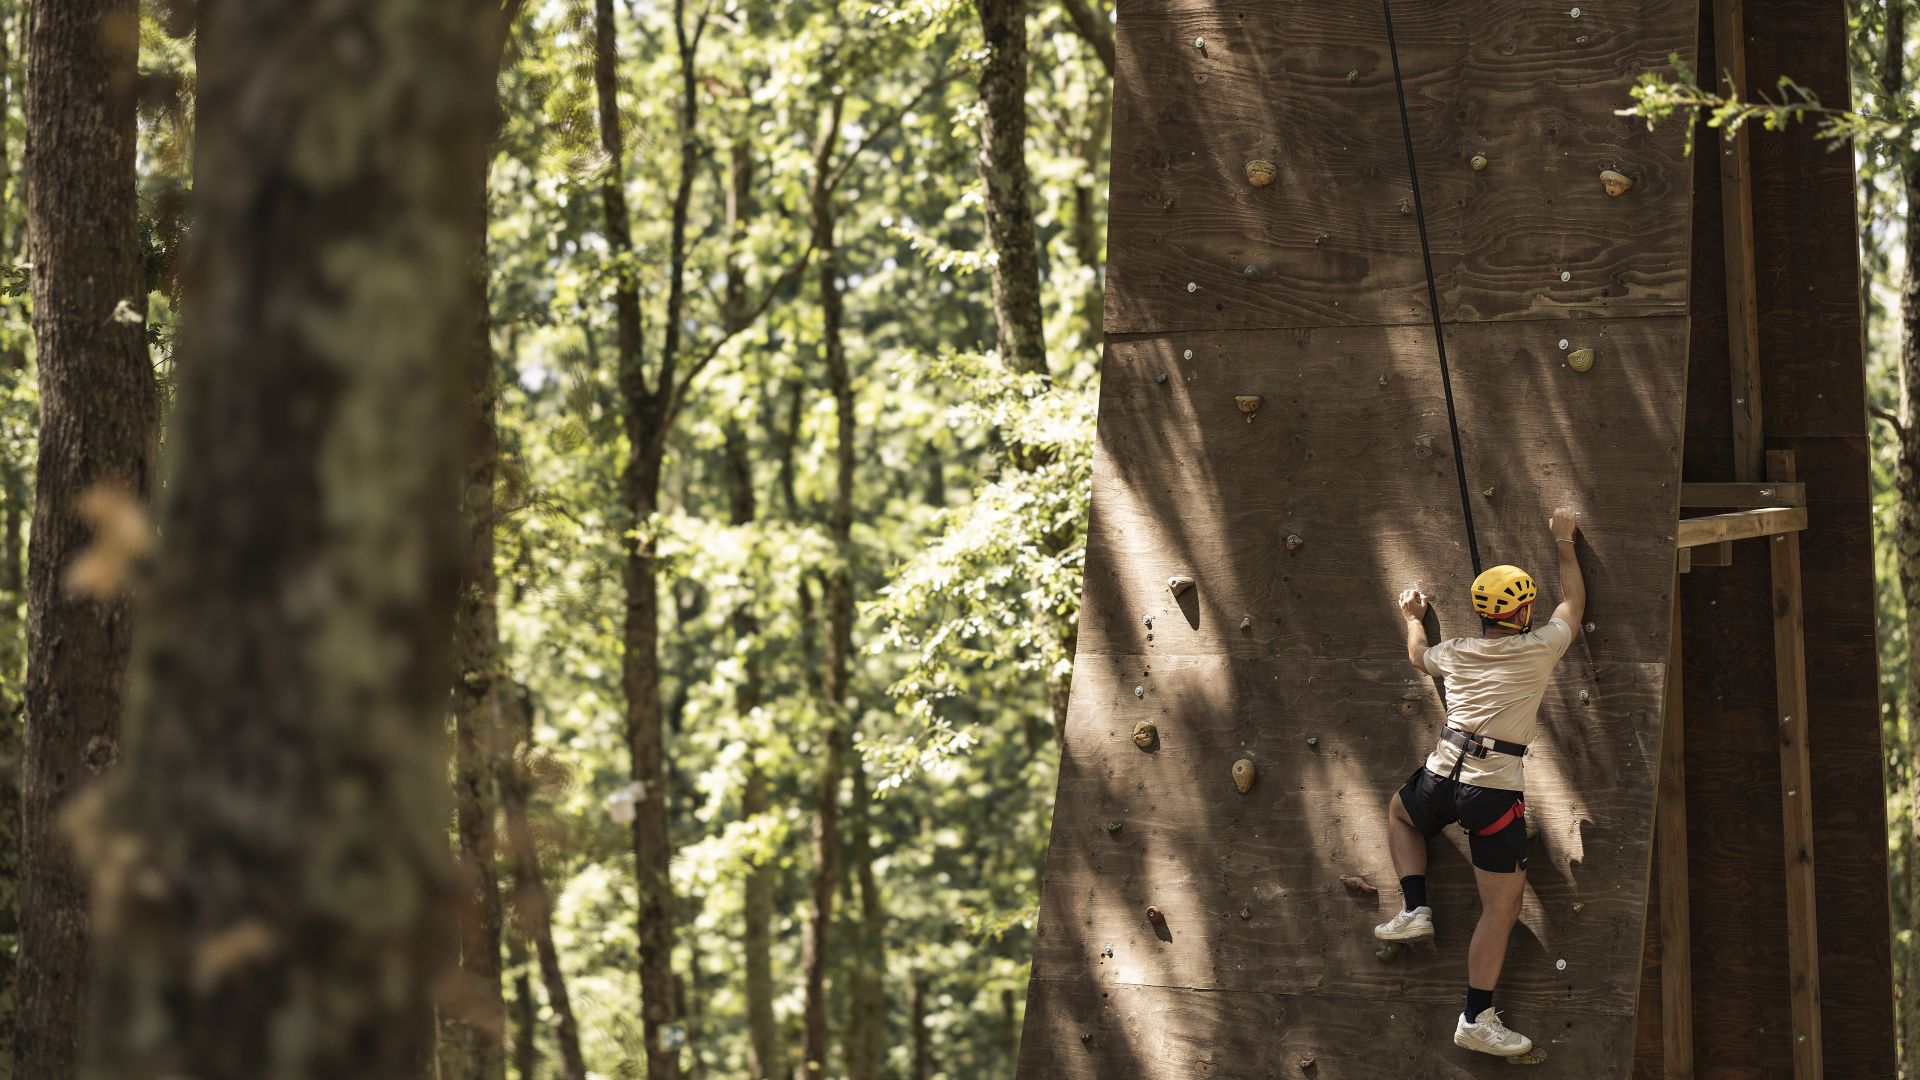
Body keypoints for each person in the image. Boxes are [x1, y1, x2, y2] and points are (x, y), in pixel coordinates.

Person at [1372, 508, 1585, 1059]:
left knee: (1400, 814)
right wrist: (1563, 541)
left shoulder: (1457, 653)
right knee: (1501, 907)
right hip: (1491, 792)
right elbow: (1573, 604)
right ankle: (1475, 1017)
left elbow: (1418, 656)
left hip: (1441, 773)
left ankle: (1415, 907)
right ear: (1525, 612)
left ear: (1482, 613)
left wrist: (1413, 616)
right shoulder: (1539, 648)